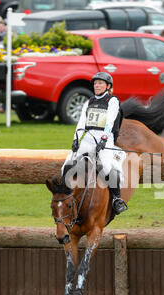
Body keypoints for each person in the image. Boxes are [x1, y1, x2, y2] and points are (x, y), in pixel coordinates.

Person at [62, 72, 127, 215]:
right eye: (95, 83)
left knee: (108, 167)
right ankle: (64, 196)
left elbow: (110, 121)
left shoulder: (112, 101)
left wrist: (103, 139)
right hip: (88, 137)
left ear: (108, 86)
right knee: (67, 164)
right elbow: (81, 123)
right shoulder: (89, 101)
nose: (97, 86)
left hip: (105, 137)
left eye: (100, 83)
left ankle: (117, 199)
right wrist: (76, 139)